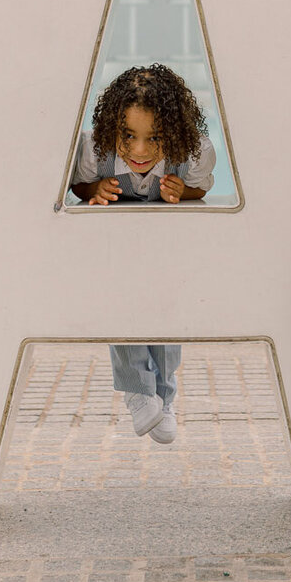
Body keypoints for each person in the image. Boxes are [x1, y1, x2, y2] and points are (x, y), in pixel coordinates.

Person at [71, 64, 214, 445]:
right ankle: (138, 389)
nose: (138, 150)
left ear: (175, 135)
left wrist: (180, 192)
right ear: (110, 130)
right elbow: (78, 185)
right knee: (122, 306)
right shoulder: (94, 150)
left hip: (162, 247)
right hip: (117, 248)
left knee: (165, 312)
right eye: (128, 136)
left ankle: (165, 396)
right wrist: (94, 190)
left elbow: (199, 190)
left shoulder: (193, 152)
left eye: (154, 139)